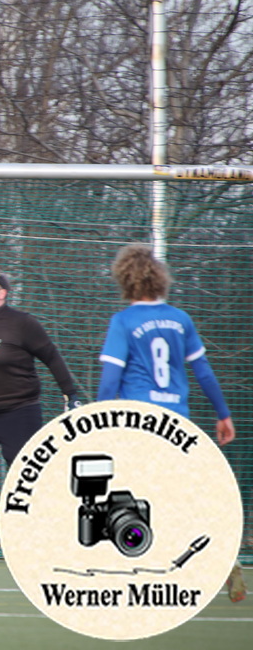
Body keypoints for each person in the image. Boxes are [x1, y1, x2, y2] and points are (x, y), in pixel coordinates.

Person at [97, 244, 242, 601]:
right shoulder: (180, 320)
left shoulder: (123, 322)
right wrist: (223, 414)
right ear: (160, 278)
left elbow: (109, 381)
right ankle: (222, 555)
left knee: (131, 497)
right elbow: (203, 372)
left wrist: (101, 421)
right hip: (178, 422)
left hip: (141, 423)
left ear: (124, 280)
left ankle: (138, 571)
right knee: (179, 493)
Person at [0, 268, 80, 562]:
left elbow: (51, 356)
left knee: (27, 476)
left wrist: (71, 395)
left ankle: (45, 537)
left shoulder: (22, 323)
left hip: (18, 411)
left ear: (2, 293)